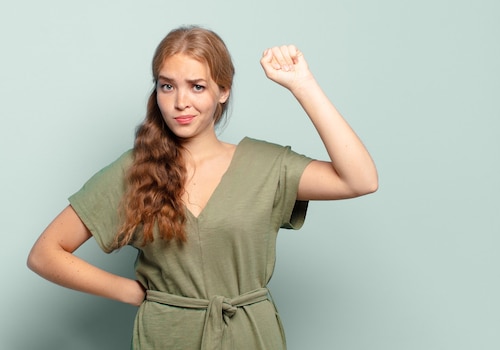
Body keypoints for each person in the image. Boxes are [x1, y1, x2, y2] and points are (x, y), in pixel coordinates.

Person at [27, 25, 377, 349]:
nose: (180, 102)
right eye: (167, 86)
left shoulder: (267, 165)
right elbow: (45, 254)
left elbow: (360, 179)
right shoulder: (135, 169)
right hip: (167, 336)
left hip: (250, 336)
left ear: (223, 90)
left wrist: (303, 84)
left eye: (197, 86)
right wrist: (125, 290)